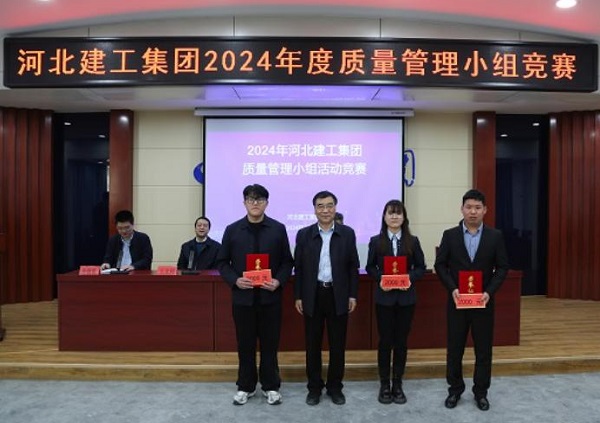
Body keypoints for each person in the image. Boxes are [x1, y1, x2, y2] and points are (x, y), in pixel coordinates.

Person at [216, 184, 293, 406]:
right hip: (243, 299)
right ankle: (246, 386)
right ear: (244, 203)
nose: (255, 203)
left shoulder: (278, 229)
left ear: (267, 203)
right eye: (251, 199)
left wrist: (278, 280)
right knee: (245, 344)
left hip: (270, 298)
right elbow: (222, 262)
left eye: (260, 199)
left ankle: (271, 386)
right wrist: (235, 280)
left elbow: (287, 262)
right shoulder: (233, 230)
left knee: (270, 344)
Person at [434, 189, 509, 412]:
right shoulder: (450, 235)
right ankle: (455, 390)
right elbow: (440, 265)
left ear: (485, 210)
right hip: (457, 302)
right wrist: (452, 288)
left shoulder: (495, 236)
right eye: (469, 207)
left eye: (477, 207)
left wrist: (489, 292)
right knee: (454, 349)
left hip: (483, 303)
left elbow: (502, 267)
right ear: (462, 209)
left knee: (483, 351)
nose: (473, 212)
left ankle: (481, 392)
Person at [294, 190, 360, 406]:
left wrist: (352, 295)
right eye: (320, 206)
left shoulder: (347, 233)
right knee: (312, 345)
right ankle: (314, 388)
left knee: (337, 345)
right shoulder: (304, 234)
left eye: (329, 205)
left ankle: (335, 388)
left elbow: (353, 267)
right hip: (312, 295)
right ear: (314, 210)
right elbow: (299, 268)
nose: (325, 210)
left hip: (337, 295)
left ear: (335, 208)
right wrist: (298, 296)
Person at [365, 200, 426, 405]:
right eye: (390, 213)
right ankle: (384, 384)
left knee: (401, 341)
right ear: (384, 217)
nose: (394, 217)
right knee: (385, 341)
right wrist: (381, 279)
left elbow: (421, 267)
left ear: (404, 217)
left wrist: (409, 278)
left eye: (398, 213)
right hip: (384, 300)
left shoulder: (413, 241)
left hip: (406, 300)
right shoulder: (376, 241)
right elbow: (370, 267)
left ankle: (397, 384)